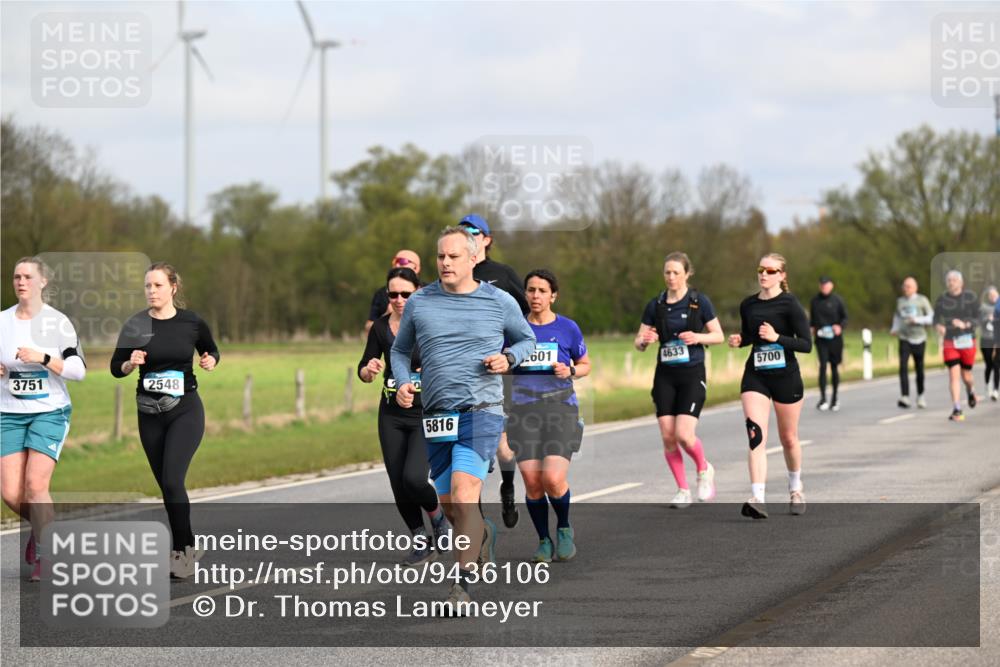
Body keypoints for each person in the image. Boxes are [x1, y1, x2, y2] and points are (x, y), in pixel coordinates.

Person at [391, 226, 535, 612]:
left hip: (480, 412)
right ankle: (481, 534)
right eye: (440, 256)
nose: (445, 263)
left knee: (463, 494)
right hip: (436, 414)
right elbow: (401, 351)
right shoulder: (420, 303)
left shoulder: (498, 300)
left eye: (453, 256)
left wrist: (510, 358)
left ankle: (461, 586)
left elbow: (526, 340)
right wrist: (404, 383)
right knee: (451, 505)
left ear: (474, 258)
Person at [111, 262, 220, 578]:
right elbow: (115, 367)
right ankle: (188, 545)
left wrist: (210, 359)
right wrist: (130, 364)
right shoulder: (135, 325)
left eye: (157, 285)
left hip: (185, 409)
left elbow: (211, 349)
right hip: (149, 413)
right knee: (168, 487)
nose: (151, 291)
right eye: (147, 286)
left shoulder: (191, 322)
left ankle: (181, 554)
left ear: (173, 287)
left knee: (173, 480)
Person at [1, 257, 86, 581]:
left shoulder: (58, 323)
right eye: (16, 277)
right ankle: (43, 530)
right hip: (8, 412)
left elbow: (78, 371)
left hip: (49, 411)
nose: (21, 282)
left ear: (42, 283)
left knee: (36, 486)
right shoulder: (2, 321)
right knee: (11, 493)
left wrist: (44, 358)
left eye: (27, 277)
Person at [358, 266, 450, 566]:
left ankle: (438, 519)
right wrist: (369, 371)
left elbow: (451, 362)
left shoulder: (431, 325)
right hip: (391, 414)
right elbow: (364, 368)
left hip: (425, 413)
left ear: (418, 292)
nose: (398, 300)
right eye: (392, 294)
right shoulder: (381, 328)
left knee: (414, 477)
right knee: (398, 482)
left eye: (405, 294)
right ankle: (420, 539)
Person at [508, 269, 590, 562]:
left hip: (560, 408)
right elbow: (502, 364)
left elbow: (585, 364)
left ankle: (564, 527)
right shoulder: (514, 329)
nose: (535, 296)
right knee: (532, 481)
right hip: (523, 410)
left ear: (553, 295)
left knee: (553, 479)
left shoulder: (568, 328)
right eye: (531, 290)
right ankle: (543, 539)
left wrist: (569, 371)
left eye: (542, 291)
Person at [635, 252, 723, 509]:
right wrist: (645, 341)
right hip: (665, 375)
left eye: (676, 272)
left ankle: (704, 469)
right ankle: (682, 489)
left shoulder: (699, 302)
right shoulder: (656, 305)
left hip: (692, 374)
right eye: (667, 272)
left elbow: (717, 336)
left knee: (684, 435)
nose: (671, 277)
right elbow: (639, 341)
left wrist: (698, 337)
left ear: (687, 274)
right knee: (668, 436)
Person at [458, 214, 529, 529]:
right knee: (470, 434)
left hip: (499, 367)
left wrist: (511, 352)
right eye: (462, 232)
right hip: (463, 369)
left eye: (473, 232)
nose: (468, 236)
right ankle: (474, 514)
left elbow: (523, 316)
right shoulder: (455, 273)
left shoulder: (503, 274)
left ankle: (508, 485)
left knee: (503, 443)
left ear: (487, 238)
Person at [728, 253, 811, 519]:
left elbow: (806, 344)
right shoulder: (748, 305)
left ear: (782, 276)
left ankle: (796, 488)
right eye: (761, 269)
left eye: (771, 270)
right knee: (756, 436)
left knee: (788, 438)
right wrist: (739, 340)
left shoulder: (790, 304)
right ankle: (758, 497)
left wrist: (777, 337)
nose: (764, 274)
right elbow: (751, 337)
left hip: (786, 376)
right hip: (756, 376)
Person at [933, 270, 979, 421]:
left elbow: (978, 318)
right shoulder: (942, 299)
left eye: (954, 280)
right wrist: (939, 326)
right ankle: (957, 408)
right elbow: (935, 319)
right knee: (953, 375)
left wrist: (966, 324)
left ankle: (971, 389)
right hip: (950, 341)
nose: (951, 283)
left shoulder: (970, 298)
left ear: (961, 282)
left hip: (967, 340)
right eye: (949, 280)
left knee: (966, 375)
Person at [890, 276, 934, 409]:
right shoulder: (900, 301)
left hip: (919, 338)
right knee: (903, 366)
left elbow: (931, 317)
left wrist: (918, 320)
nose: (905, 289)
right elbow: (897, 316)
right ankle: (905, 396)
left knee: (919, 368)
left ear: (915, 288)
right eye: (904, 286)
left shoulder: (922, 300)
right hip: (904, 338)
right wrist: (894, 328)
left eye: (908, 286)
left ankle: (920, 396)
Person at [809, 276, 848, 411]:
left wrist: (840, 327)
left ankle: (835, 399)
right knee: (822, 367)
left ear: (831, 286)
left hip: (835, 340)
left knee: (834, 367)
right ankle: (823, 399)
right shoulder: (814, 301)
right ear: (820, 286)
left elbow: (845, 318)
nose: (824, 287)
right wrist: (811, 328)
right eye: (822, 285)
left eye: (827, 285)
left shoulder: (838, 300)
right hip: (821, 339)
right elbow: (812, 320)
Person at [364, 250, 421, 335]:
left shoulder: (431, 292)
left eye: (402, 261)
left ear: (416, 268)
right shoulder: (381, 293)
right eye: (393, 295)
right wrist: (386, 315)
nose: (397, 265)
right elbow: (368, 329)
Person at [979, 286, 999, 402]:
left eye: (995, 295)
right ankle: (988, 384)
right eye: (990, 295)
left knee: (996, 364)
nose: (993, 297)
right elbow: (978, 321)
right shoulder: (983, 308)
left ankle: (996, 389)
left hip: (996, 339)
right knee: (989, 364)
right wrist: (988, 318)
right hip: (986, 339)